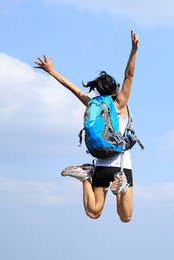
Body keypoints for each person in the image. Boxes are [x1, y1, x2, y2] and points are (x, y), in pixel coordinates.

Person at [34, 29, 139, 222]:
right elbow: (129, 75)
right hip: (121, 164)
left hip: (99, 162)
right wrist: (133, 50)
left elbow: (72, 88)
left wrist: (51, 71)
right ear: (115, 88)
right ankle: (121, 187)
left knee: (93, 212)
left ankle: (84, 177)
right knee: (125, 217)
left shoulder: (93, 104)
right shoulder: (120, 104)